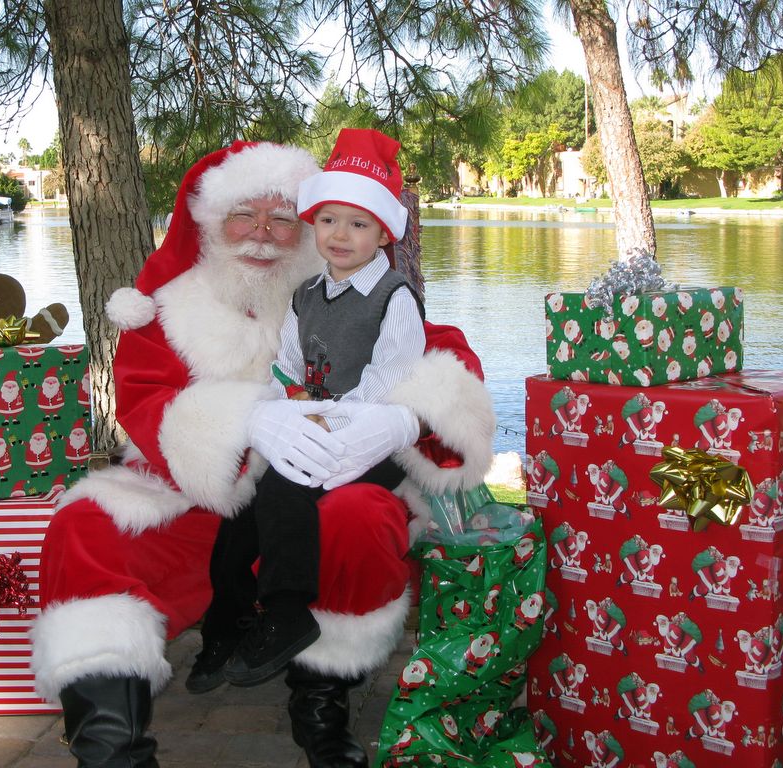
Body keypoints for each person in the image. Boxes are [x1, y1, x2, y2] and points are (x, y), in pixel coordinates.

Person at [30, 140, 496, 768]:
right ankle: (112, 748)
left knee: (360, 514)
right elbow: (144, 404)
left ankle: (321, 703)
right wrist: (246, 421)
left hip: (318, 490)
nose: (263, 233)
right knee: (87, 525)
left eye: (282, 216)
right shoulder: (169, 308)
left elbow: (445, 354)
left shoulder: (342, 284)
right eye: (243, 214)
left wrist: (400, 418)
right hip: (196, 495)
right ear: (209, 220)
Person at [204, 129, 428, 689]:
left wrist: (342, 417)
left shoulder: (393, 295)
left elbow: (395, 371)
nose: (340, 235)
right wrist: (287, 407)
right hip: (316, 426)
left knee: (283, 492)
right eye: (329, 220)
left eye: (358, 223)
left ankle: (286, 611)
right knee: (244, 504)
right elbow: (288, 363)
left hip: (373, 437)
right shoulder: (307, 294)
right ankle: (227, 617)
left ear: (382, 232)